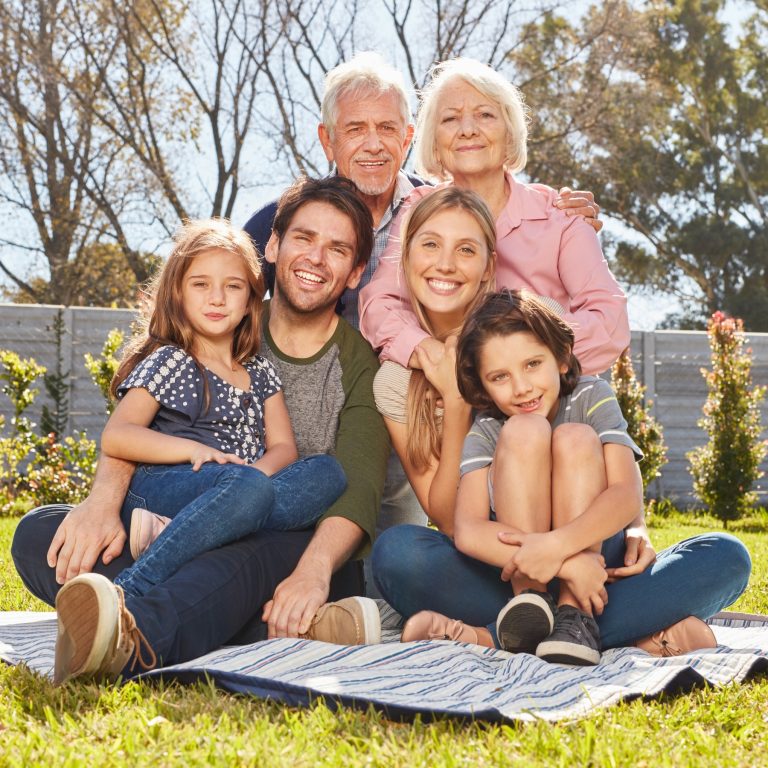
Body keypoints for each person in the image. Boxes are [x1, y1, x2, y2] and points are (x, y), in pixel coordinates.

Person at [11, 177, 389, 683]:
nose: (317, 258)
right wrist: (102, 503)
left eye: (337, 248)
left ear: (355, 271)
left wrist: (309, 563)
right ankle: (289, 630)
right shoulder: (213, 326)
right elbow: (124, 435)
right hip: (182, 501)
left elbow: (354, 483)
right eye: (304, 238)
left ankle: (133, 630)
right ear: (273, 246)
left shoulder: (352, 362)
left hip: (285, 544)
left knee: (310, 488)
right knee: (41, 534)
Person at [244, 53, 604, 568]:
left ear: (409, 136)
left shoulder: (434, 209)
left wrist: (569, 216)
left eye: (387, 127)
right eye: (355, 129)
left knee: (394, 559)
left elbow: (500, 227)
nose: (373, 143)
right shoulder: (284, 222)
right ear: (327, 140)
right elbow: (210, 315)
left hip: (413, 419)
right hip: (309, 422)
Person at [99, 218, 346, 598]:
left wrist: (255, 480)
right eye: (201, 285)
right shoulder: (173, 361)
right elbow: (118, 436)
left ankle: (185, 531)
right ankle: (132, 588)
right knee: (246, 491)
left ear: (250, 301)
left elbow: (284, 448)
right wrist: (193, 450)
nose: (217, 298)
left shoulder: (260, 371)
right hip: (168, 484)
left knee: (328, 472)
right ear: (178, 293)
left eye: (233, 287)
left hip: (241, 486)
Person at [359, 57, 629, 377]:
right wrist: (426, 350)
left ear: (510, 134)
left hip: (543, 394)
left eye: (485, 115)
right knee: (393, 380)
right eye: (450, 119)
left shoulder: (561, 216)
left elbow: (610, 320)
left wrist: (516, 354)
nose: (468, 130)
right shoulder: (417, 208)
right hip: (448, 385)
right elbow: (379, 302)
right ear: (434, 139)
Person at [451, 290, 643, 665]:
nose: (521, 387)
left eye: (533, 364)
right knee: (400, 553)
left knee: (724, 556)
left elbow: (625, 495)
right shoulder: (488, 428)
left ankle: (574, 615)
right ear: (483, 385)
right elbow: (469, 530)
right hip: (525, 574)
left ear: (562, 357)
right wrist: (567, 563)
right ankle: (533, 605)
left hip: (597, 559)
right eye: (500, 376)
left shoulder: (593, 396)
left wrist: (555, 547)